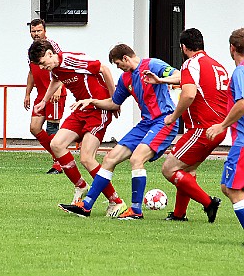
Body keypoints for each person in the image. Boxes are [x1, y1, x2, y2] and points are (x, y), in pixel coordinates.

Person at [59, 44, 180, 219]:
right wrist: (92, 101)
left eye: (118, 64)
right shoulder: (125, 78)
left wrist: (161, 80)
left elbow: (180, 76)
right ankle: (86, 207)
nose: (118, 67)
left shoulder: (152, 65)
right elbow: (114, 103)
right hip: (146, 123)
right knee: (109, 158)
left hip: (165, 120)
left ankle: (136, 210)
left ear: (125, 58)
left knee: (137, 158)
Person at [28, 39, 126, 217]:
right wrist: (44, 101)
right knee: (56, 144)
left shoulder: (71, 60)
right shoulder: (55, 68)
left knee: (87, 158)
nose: (42, 68)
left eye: (42, 63)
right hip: (81, 109)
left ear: (50, 54)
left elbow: (104, 69)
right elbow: (55, 80)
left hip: (99, 109)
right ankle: (81, 185)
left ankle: (116, 201)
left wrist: (114, 100)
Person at [144, 28, 228, 222]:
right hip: (218, 128)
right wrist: (161, 80)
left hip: (201, 128)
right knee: (187, 170)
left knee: (169, 169)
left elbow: (189, 94)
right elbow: (192, 84)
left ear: (183, 47)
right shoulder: (216, 65)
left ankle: (209, 203)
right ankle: (179, 214)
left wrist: (173, 117)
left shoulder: (190, 64)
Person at [206, 28, 244, 232]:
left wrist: (222, 125)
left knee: (232, 189)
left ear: (232, 48)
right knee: (226, 186)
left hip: (243, 142)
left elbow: (242, 103)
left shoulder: (240, 72)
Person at [24, 19, 67, 174]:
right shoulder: (31, 50)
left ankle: (58, 164)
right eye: (33, 31)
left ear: (45, 31)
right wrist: (27, 93)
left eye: (39, 31)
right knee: (34, 128)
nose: (36, 34)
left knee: (51, 127)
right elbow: (31, 72)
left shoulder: (52, 46)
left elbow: (61, 66)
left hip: (55, 92)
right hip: (41, 94)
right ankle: (61, 157)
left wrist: (58, 88)